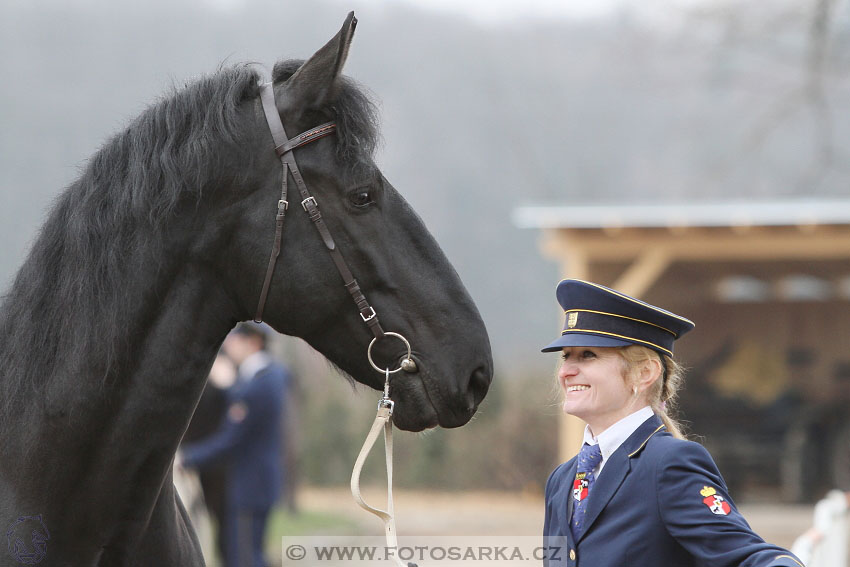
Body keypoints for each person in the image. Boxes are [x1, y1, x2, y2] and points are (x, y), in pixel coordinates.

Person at [541, 279, 804, 567]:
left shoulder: (669, 464)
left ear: (645, 372)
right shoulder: (561, 480)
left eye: (588, 355)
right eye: (566, 357)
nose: (566, 371)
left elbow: (745, 554)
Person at [179, 322, 289, 567]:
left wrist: (186, 458)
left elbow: (232, 439)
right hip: (258, 484)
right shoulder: (267, 376)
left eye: (235, 341)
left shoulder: (258, 382)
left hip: (250, 486)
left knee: (246, 559)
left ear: (252, 343)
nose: (229, 346)